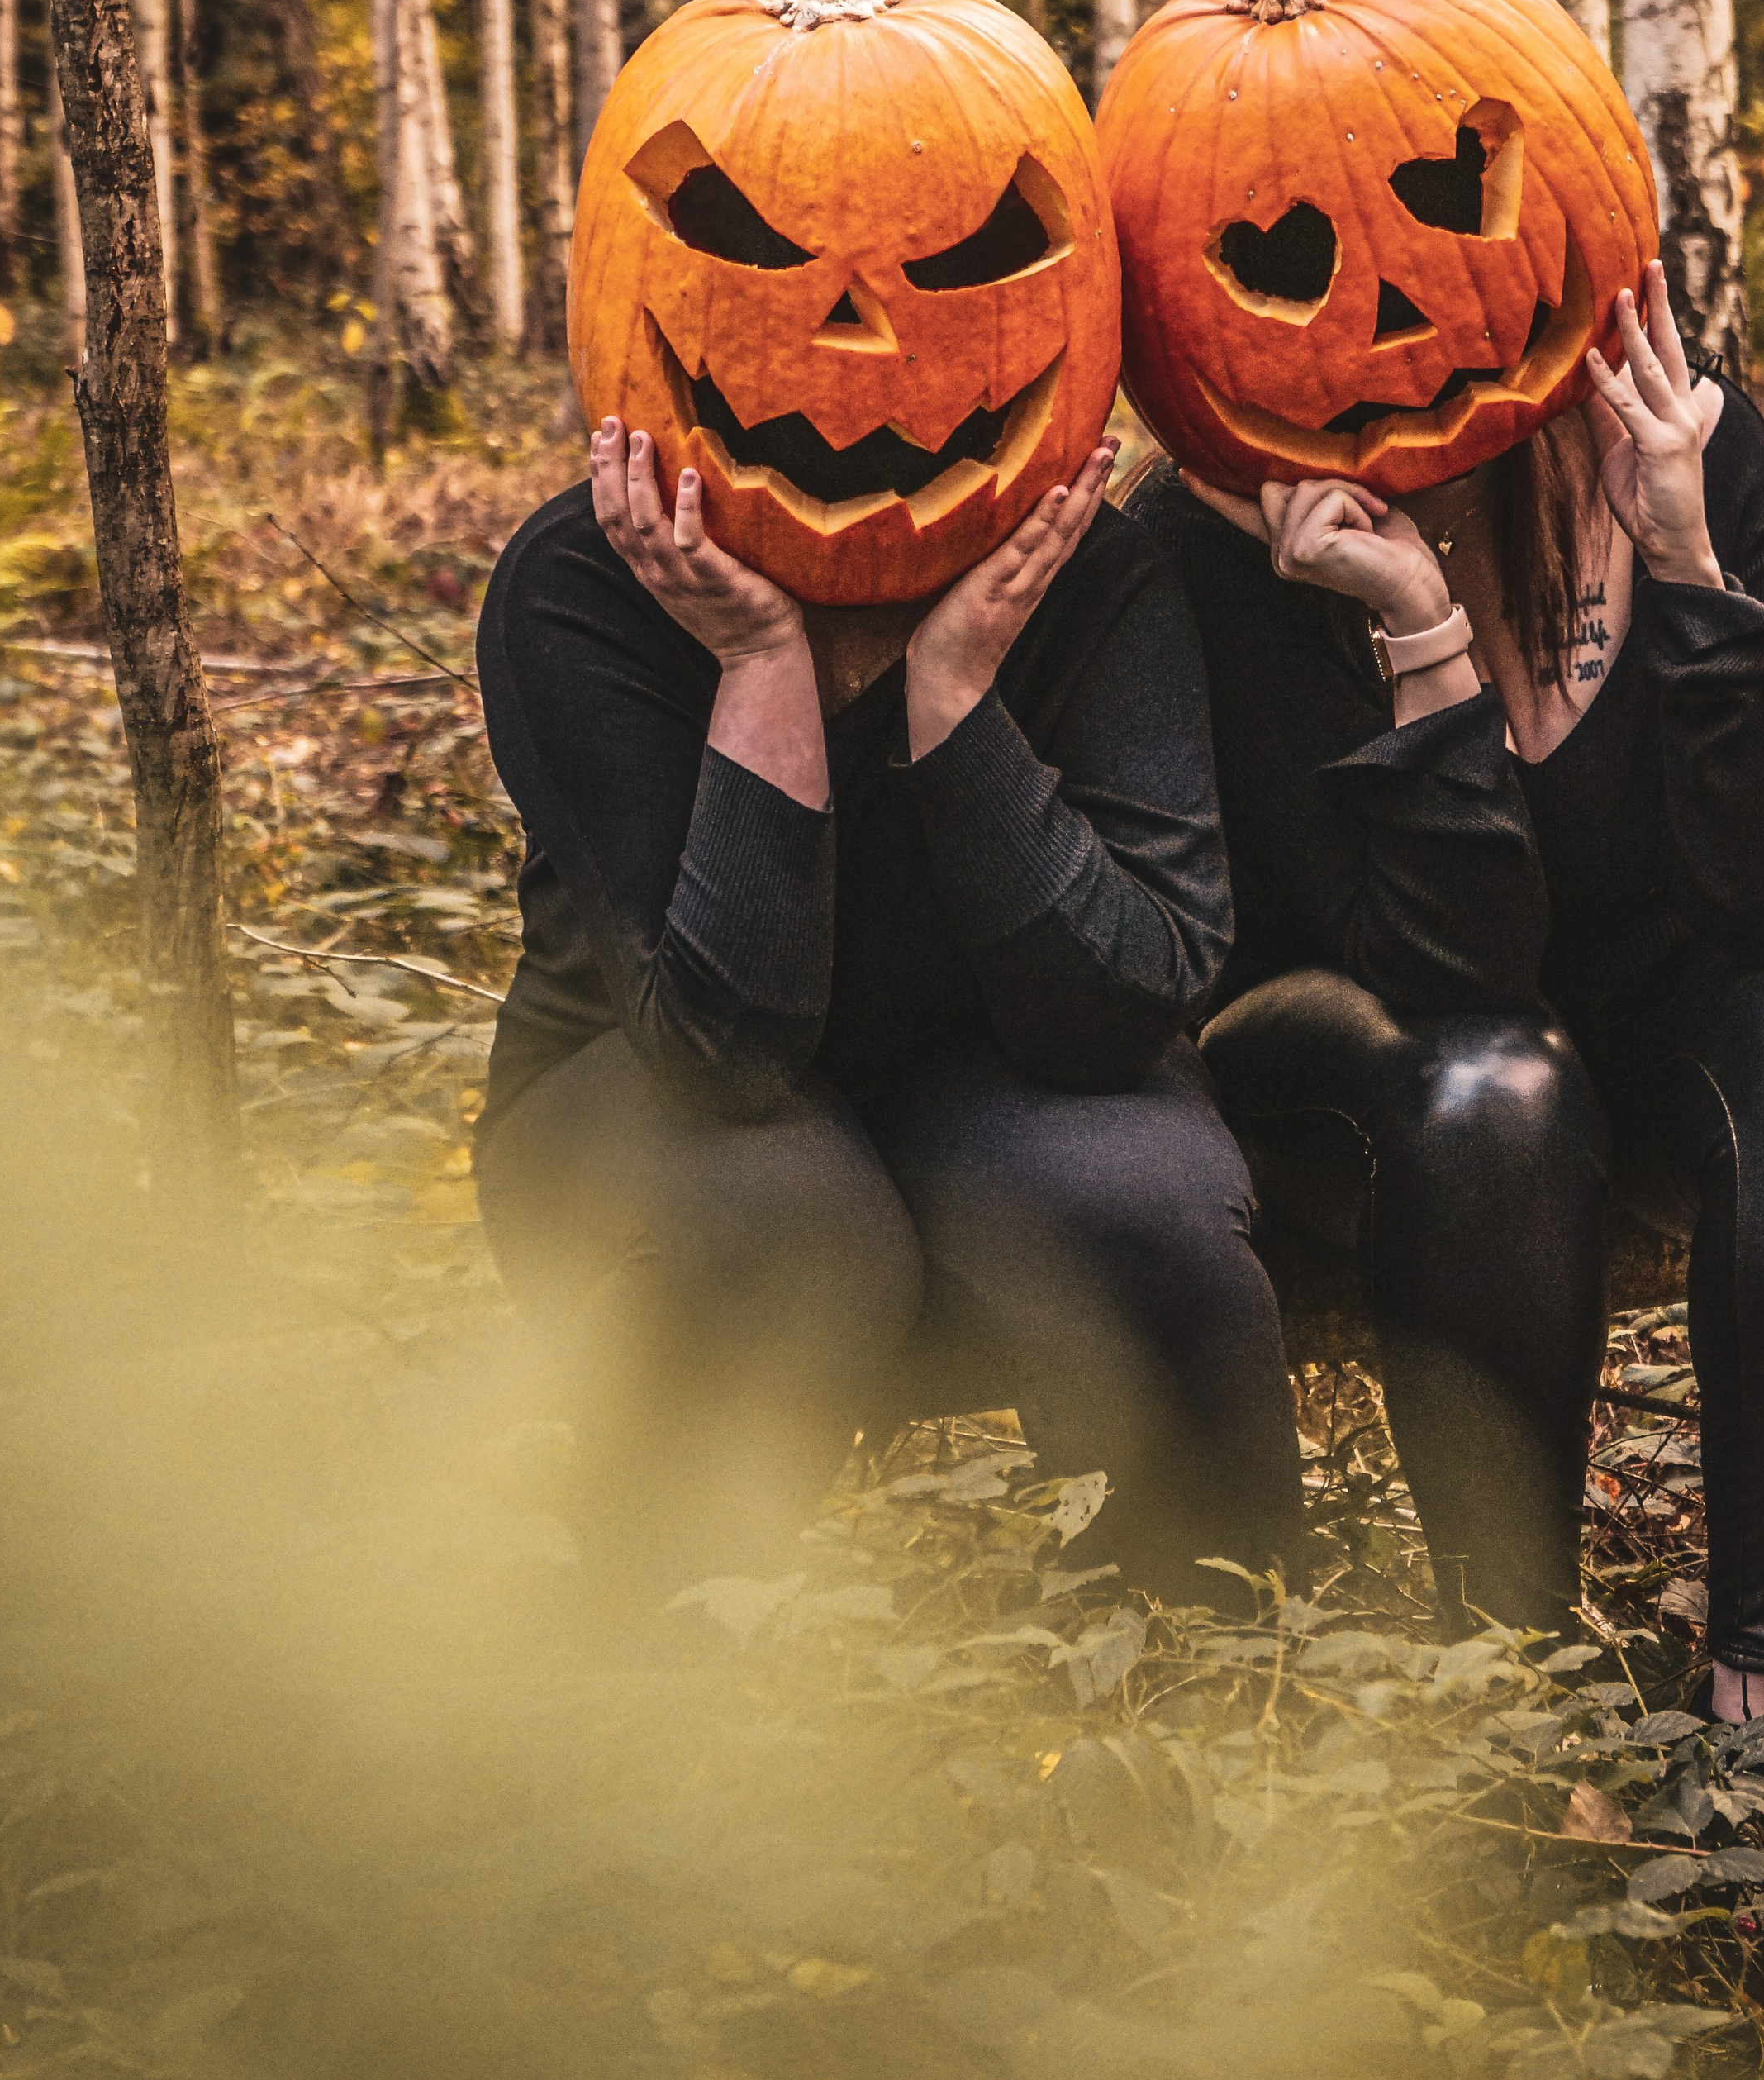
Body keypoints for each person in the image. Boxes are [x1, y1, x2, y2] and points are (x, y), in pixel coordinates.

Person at [1126, 261, 1764, 1730]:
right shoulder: (1202, 542)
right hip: (1367, 1047)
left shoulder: (1679, 440)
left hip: (1656, 1011)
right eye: (1303, 257)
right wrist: (1421, 634)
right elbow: (1449, 975)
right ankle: (1522, 1700)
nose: (1373, 305)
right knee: (1504, 1081)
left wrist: (1684, 560)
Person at [474, 419, 1305, 1613]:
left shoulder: (1095, 576)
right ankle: (654, 1695)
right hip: (646, 1086)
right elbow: (723, 1046)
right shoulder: (590, 576)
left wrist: (957, 700)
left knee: (1149, 1207)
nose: (871, 357)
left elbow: (1126, 1006)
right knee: (793, 1219)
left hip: (1002, 1072)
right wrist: (765, 664)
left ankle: (1240, 1695)